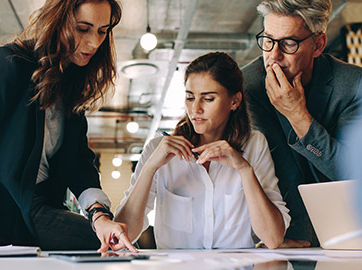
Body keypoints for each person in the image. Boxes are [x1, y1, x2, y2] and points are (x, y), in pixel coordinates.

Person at [0, 0, 137, 253]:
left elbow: (79, 165)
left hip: (40, 209)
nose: (94, 42)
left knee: (116, 243)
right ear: (58, 22)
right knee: (116, 249)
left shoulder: (70, 85)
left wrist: (100, 217)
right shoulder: (6, 64)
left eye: (102, 31)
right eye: (83, 28)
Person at [114, 52, 290, 249]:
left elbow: (273, 238)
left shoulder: (255, 144)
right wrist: (149, 168)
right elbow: (123, 235)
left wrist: (244, 169)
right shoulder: (158, 149)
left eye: (207, 99)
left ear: (234, 101)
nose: (195, 109)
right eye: (190, 97)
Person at [242, 0, 362, 247]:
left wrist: (299, 117)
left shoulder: (353, 86)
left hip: (344, 235)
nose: (273, 56)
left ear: (318, 45)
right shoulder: (246, 87)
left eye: (288, 43)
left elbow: (352, 174)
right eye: (268, 40)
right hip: (272, 240)